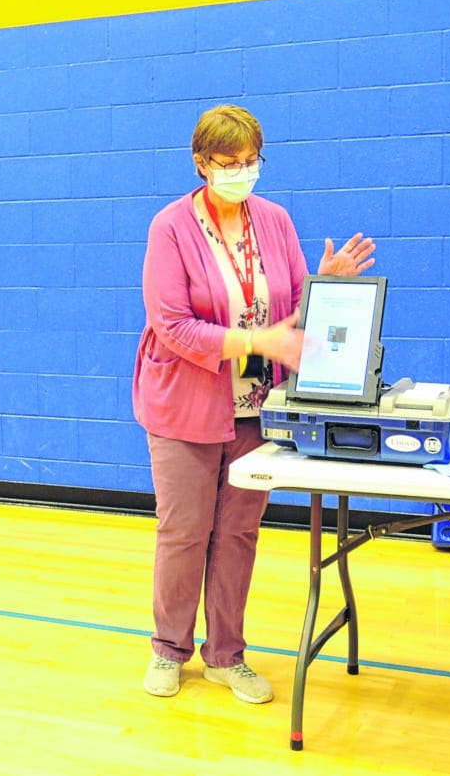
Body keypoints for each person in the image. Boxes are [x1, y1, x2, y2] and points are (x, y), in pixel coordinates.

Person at [132, 104, 374, 704]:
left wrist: (327, 284)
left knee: (238, 532)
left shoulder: (275, 221)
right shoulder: (170, 227)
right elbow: (172, 325)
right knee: (184, 531)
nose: (243, 172)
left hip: (254, 404)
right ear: (200, 163)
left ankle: (226, 656)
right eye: (230, 163)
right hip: (185, 404)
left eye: (251, 161)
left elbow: (292, 315)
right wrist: (250, 340)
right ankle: (169, 649)